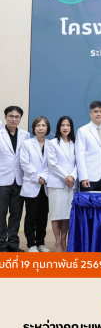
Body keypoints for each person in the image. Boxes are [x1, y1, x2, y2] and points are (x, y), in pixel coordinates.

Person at [0, 106, 30, 252]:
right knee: (1, 213)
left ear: (20, 118)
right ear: (5, 117)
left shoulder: (25, 135)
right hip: (2, 179)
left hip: (19, 180)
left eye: (17, 116)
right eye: (11, 116)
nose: (14, 119)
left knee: (16, 214)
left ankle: (13, 243)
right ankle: (1, 243)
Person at [20, 116, 50, 252]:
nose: (41, 128)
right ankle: (31, 244)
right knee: (31, 216)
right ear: (34, 128)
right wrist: (38, 177)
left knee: (43, 216)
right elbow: (24, 163)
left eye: (43, 125)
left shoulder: (52, 144)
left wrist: (44, 176)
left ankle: (41, 243)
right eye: (38, 125)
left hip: (47, 186)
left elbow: (52, 164)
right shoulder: (27, 144)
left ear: (47, 128)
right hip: (32, 184)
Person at [47, 116, 77, 252]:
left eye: (68, 125)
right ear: (59, 127)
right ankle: (58, 242)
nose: (65, 128)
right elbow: (52, 164)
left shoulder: (75, 143)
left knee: (67, 215)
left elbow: (78, 163)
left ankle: (64, 241)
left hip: (71, 185)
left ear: (71, 128)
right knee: (56, 214)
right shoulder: (52, 143)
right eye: (63, 125)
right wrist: (66, 176)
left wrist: (72, 176)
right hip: (57, 183)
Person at [75, 101, 101, 191]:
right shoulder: (83, 131)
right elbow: (80, 156)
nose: (99, 114)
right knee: (87, 200)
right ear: (90, 113)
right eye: (96, 111)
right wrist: (83, 177)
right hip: (89, 177)